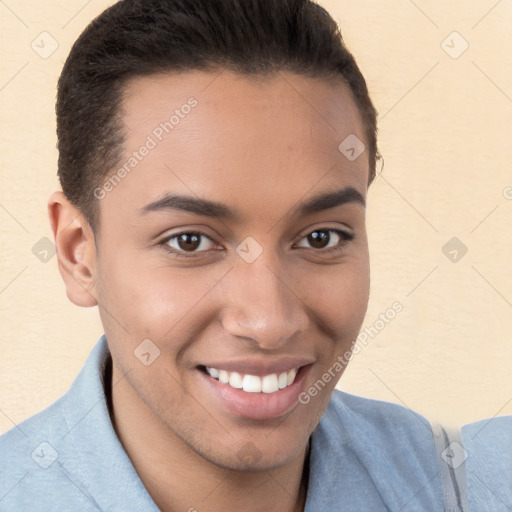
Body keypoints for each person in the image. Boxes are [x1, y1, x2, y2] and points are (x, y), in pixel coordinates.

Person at [0, 0, 509, 510]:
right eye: (190, 242)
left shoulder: (470, 484)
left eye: (321, 238)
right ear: (77, 253)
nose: (269, 321)